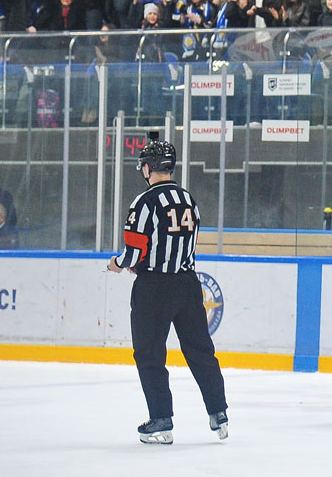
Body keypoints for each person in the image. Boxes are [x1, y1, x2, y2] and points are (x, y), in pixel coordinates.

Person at [106, 134, 228, 445]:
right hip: (188, 284)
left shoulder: (144, 202)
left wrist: (118, 264)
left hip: (154, 288)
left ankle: (161, 419)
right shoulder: (188, 199)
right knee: (200, 350)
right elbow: (185, 243)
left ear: (147, 167)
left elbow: (134, 250)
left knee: (149, 353)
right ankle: (219, 412)